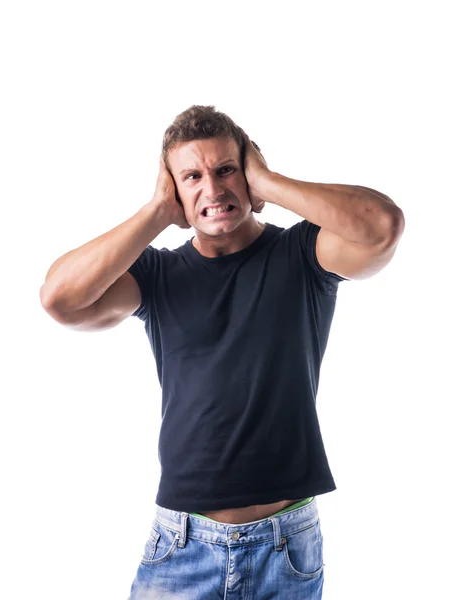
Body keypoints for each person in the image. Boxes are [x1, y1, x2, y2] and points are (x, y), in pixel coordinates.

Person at [40, 105, 405, 599]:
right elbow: (60, 300)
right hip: (182, 549)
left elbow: (382, 226)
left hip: (286, 549)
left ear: (247, 171)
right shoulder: (155, 275)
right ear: (174, 190)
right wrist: (155, 213)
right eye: (192, 177)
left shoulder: (303, 254)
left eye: (226, 169)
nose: (212, 190)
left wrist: (267, 181)